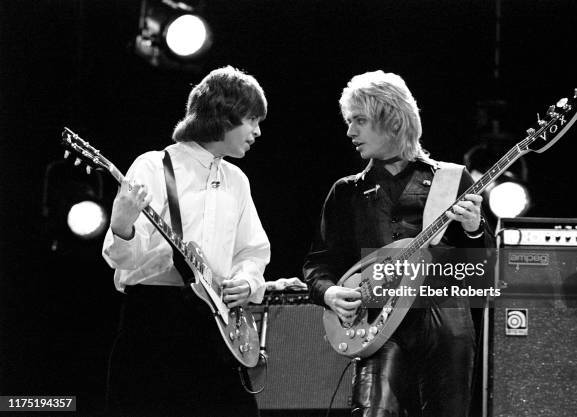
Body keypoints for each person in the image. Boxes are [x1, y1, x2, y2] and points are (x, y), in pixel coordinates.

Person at [303, 70, 495, 417]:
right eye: (349, 121)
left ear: (391, 120)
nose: (350, 132)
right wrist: (330, 293)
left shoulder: (451, 179)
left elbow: (484, 268)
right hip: (376, 325)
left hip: (445, 323)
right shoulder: (346, 192)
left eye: (359, 120)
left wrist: (472, 228)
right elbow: (319, 263)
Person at [102, 66, 269, 417]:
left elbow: (252, 251)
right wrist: (121, 227)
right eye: (251, 119)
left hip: (214, 326)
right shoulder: (153, 166)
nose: (257, 131)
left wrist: (246, 281)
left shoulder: (237, 180)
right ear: (224, 116)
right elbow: (124, 262)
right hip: (154, 322)